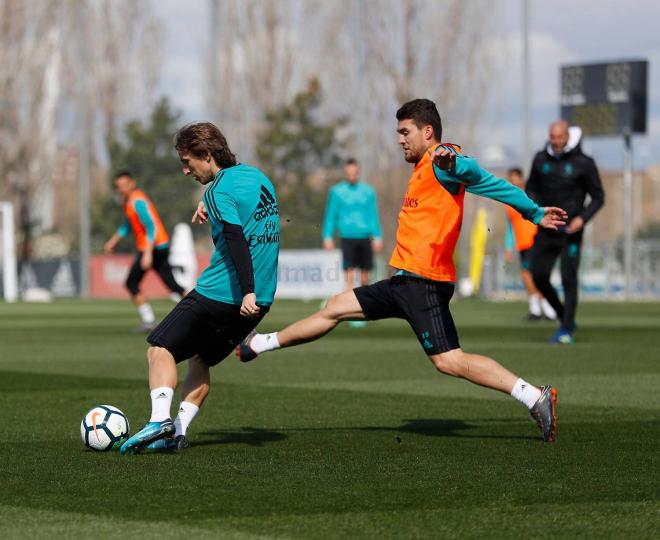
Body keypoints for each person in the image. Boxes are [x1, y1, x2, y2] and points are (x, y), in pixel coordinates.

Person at [238, 99, 566, 443]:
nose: (400, 139)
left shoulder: (444, 161)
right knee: (335, 306)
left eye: (405, 132)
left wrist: (530, 210)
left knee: (450, 361)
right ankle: (258, 343)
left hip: (425, 284)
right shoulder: (423, 166)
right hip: (404, 281)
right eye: (398, 132)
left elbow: (476, 174)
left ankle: (534, 396)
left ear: (428, 132)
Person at [120, 122, 280, 454]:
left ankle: (159, 422)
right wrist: (253, 294)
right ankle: (177, 432)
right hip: (261, 301)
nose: (184, 170)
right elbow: (247, 215)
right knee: (200, 360)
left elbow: (236, 241)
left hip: (222, 293)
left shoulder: (218, 192)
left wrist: (245, 289)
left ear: (206, 154)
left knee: (158, 350)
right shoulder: (258, 178)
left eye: (187, 161)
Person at [526, 121, 604, 344]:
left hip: (571, 231)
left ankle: (566, 330)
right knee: (538, 275)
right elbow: (531, 187)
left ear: (568, 137)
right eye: (553, 137)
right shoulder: (540, 159)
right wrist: (537, 211)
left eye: (560, 137)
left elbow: (598, 197)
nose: (556, 141)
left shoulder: (584, 163)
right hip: (546, 228)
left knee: (569, 278)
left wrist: (582, 218)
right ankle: (565, 318)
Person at [104, 171, 186, 332]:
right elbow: (128, 225)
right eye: (118, 187)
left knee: (131, 283)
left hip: (154, 248)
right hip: (156, 247)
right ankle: (198, 310)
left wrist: (147, 253)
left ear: (132, 183)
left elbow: (151, 227)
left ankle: (149, 320)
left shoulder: (137, 201)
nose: (121, 189)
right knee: (172, 285)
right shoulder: (128, 202)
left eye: (124, 185)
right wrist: (113, 241)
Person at [322, 158, 383, 290]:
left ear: (358, 172)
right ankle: (349, 305)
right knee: (349, 276)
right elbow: (330, 215)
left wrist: (377, 236)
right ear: (345, 173)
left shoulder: (368, 191)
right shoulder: (337, 192)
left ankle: (364, 306)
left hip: (365, 237)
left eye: (354, 173)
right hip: (347, 237)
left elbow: (373, 215)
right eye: (349, 173)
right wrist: (327, 236)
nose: (352, 176)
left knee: (365, 277)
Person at [504, 167, 556, 321]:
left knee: (530, 274)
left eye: (515, 177)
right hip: (522, 243)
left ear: (521, 178)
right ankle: (542, 309)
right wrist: (509, 246)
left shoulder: (530, 195)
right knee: (529, 275)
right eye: (510, 178)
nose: (513, 181)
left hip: (534, 240)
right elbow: (510, 227)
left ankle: (543, 308)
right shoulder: (508, 201)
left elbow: (540, 214)